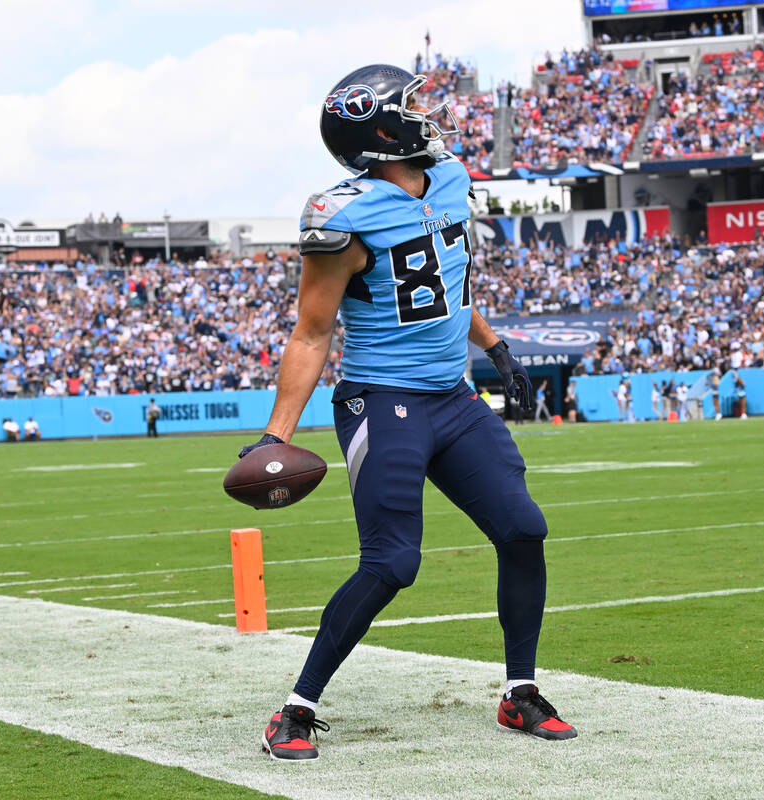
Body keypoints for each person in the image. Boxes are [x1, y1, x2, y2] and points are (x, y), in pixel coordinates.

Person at [240, 63, 577, 762]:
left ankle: (521, 692)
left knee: (523, 529)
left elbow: (444, 286)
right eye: (414, 106)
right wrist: (276, 434)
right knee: (393, 562)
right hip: (382, 399)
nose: (431, 114)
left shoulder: (450, 179)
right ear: (381, 129)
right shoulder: (344, 214)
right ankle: (296, 709)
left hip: (452, 398)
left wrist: (496, 346)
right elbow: (311, 331)